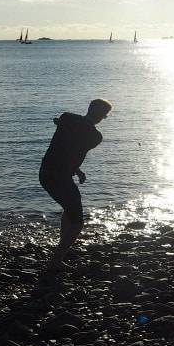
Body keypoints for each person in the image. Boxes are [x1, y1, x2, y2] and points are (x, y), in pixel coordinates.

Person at [39, 97, 112, 269]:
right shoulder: (95, 136)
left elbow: (65, 148)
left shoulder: (67, 118)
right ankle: (56, 261)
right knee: (78, 222)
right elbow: (75, 152)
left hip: (45, 173)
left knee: (69, 210)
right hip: (60, 177)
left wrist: (60, 123)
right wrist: (76, 170)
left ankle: (64, 247)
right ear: (102, 117)